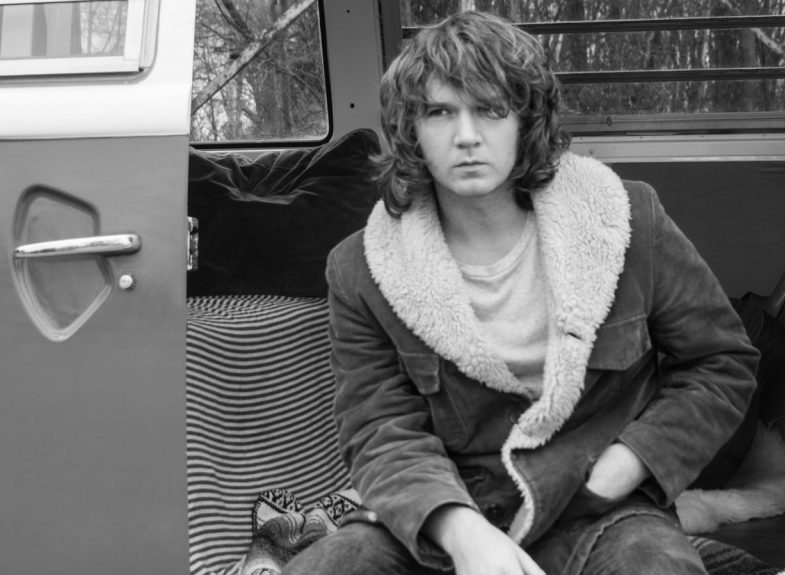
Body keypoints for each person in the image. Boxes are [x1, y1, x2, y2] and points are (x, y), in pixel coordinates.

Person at [284, 10, 758, 575]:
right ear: (412, 129)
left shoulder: (627, 220)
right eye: (440, 112)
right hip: (448, 511)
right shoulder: (360, 269)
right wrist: (462, 535)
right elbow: (378, 429)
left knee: (655, 566)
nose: (466, 136)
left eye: (490, 109)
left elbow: (720, 363)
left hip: (601, 512)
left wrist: (626, 465)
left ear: (525, 120)